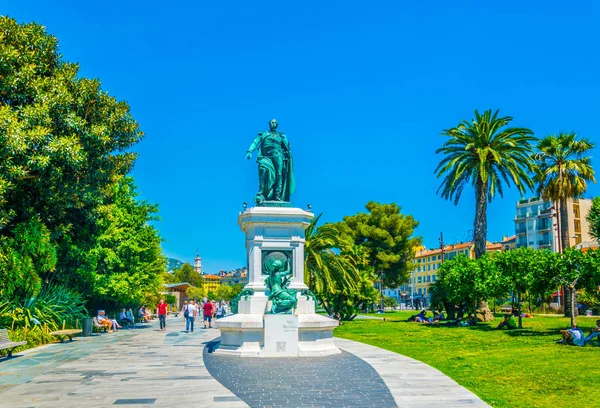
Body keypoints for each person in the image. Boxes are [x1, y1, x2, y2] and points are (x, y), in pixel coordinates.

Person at [245, 119, 295, 204]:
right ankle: (261, 191)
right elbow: (255, 142)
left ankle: (277, 195)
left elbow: (287, 148)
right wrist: (250, 151)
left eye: (274, 122)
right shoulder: (264, 134)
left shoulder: (281, 136)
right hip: (265, 155)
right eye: (271, 122)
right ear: (269, 124)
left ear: (277, 124)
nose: (273, 123)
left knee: (279, 174)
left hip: (278, 154)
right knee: (262, 169)